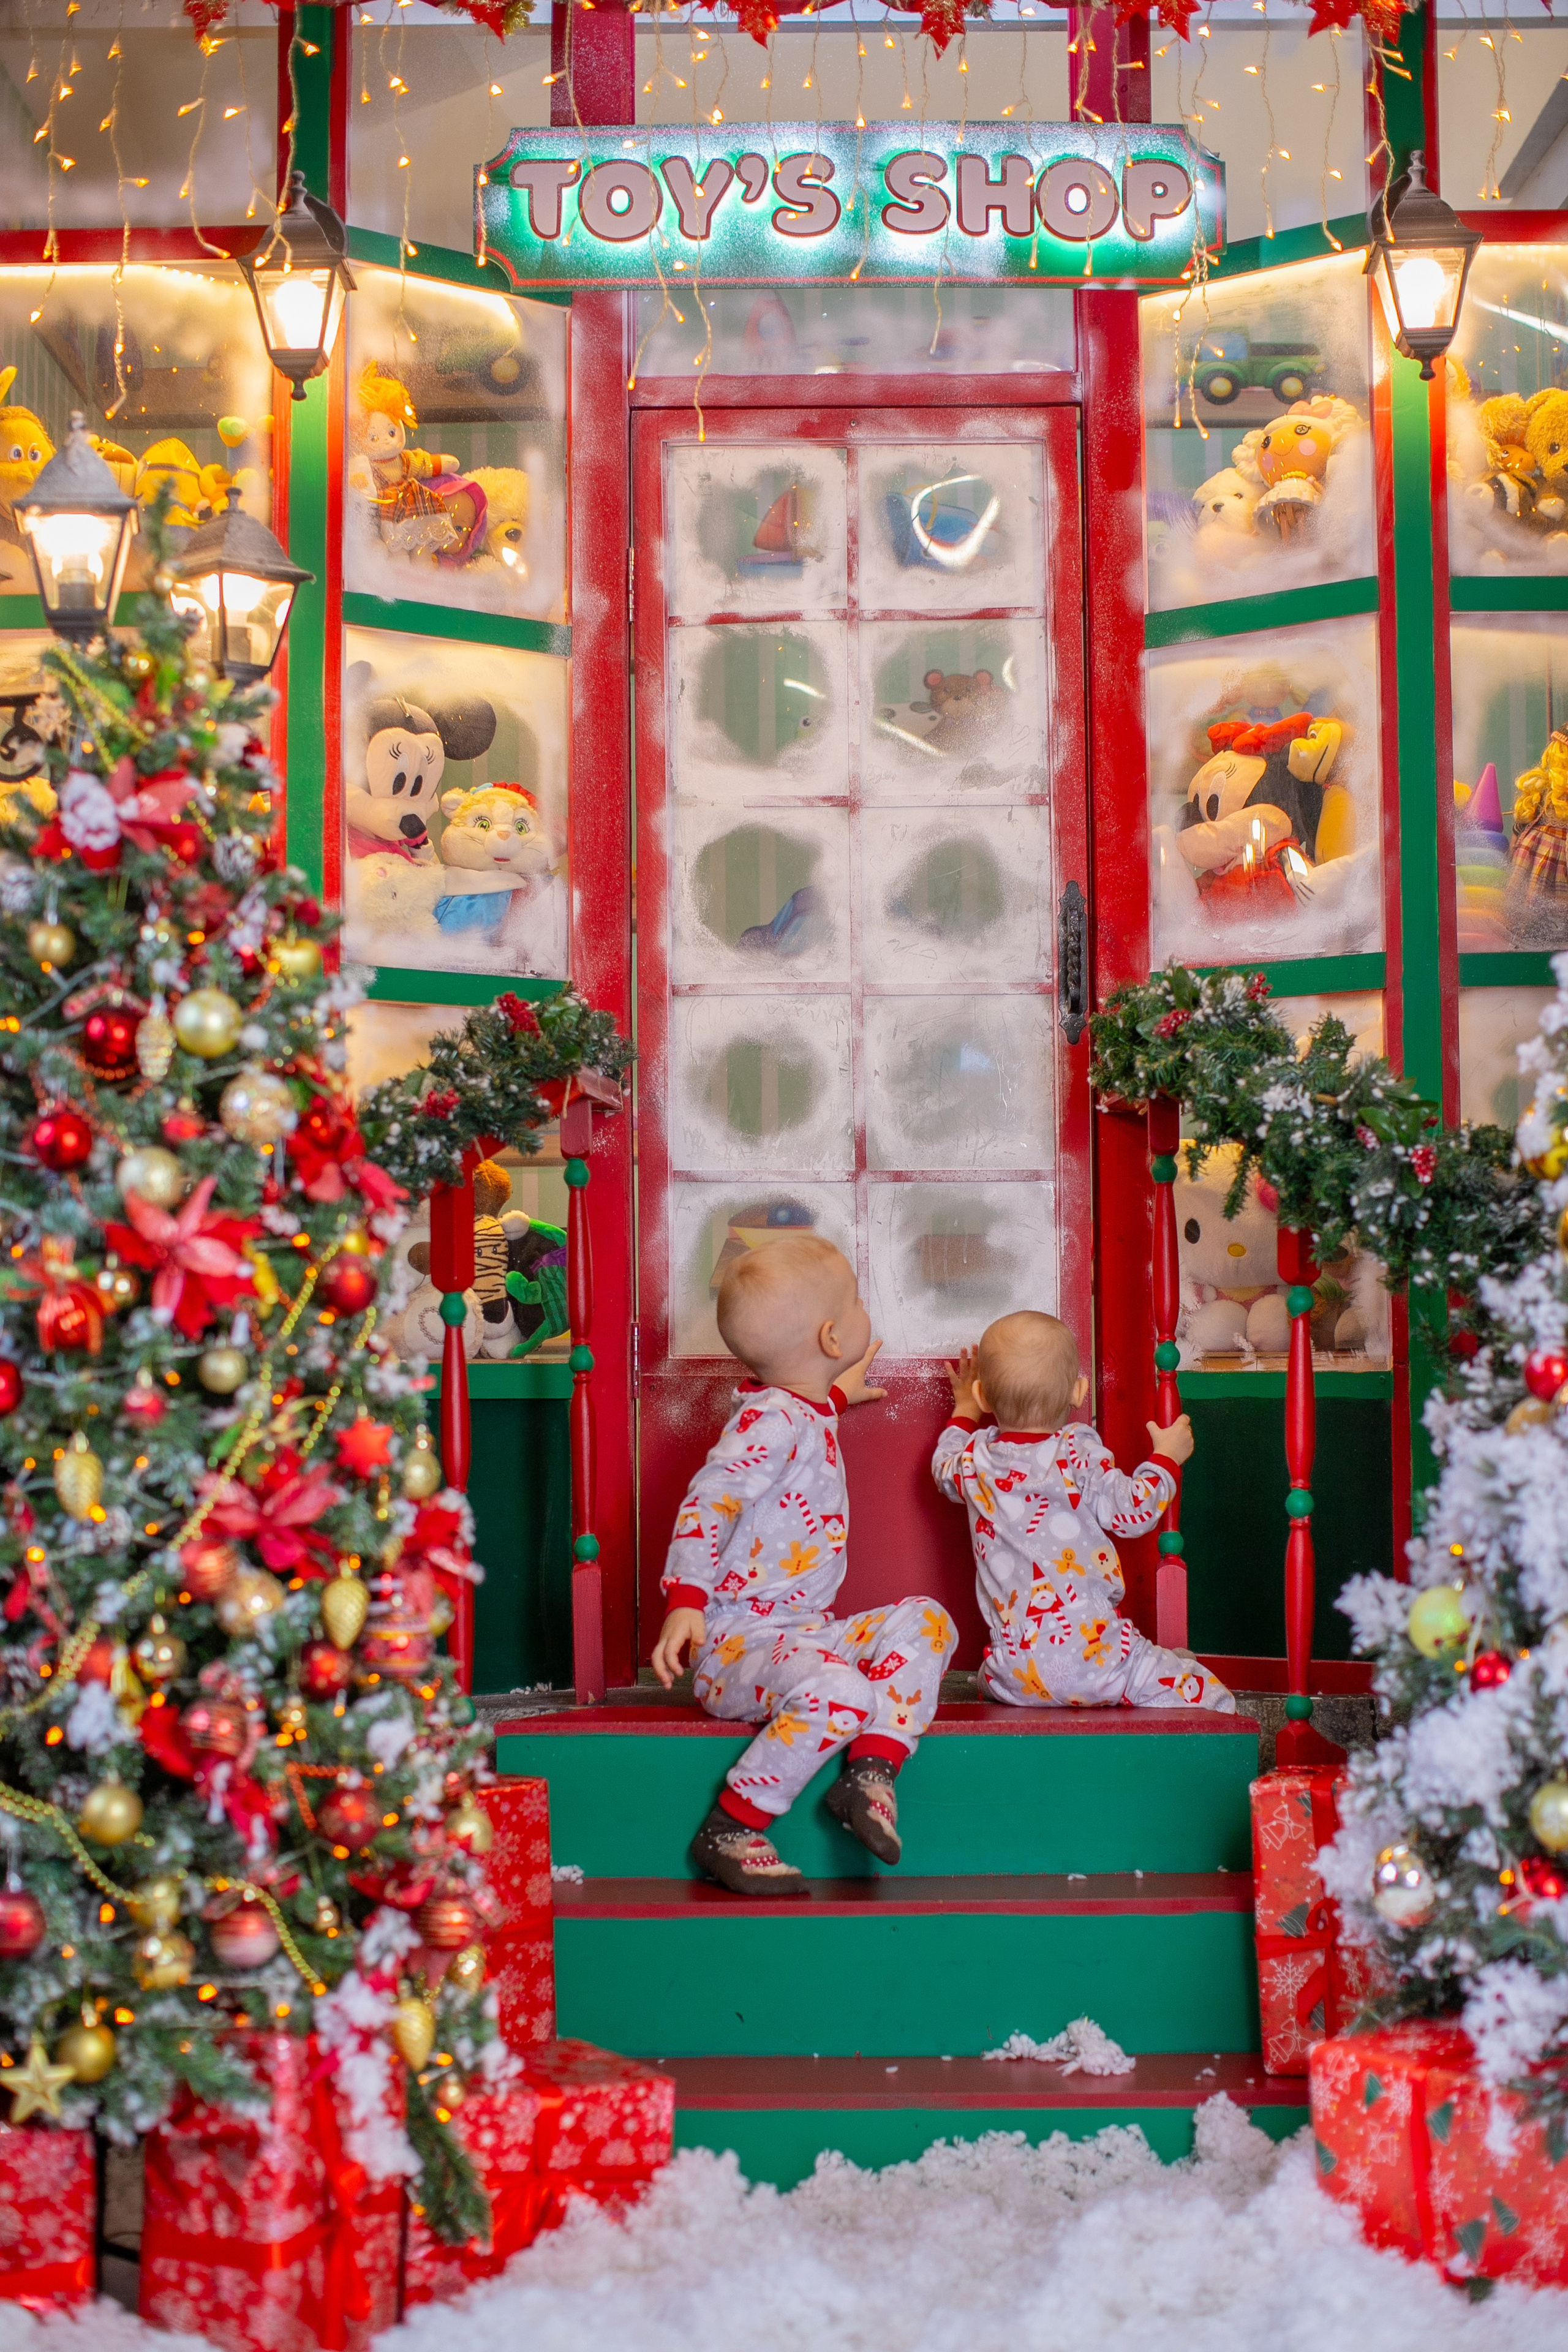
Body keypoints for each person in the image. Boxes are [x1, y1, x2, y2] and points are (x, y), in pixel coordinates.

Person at [652, 1234, 958, 1895]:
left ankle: (867, 1772)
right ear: (828, 1336)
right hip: (734, 1648)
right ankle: (731, 1827)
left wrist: (838, 1396)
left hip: (802, 1631)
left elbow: (803, 1420)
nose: (862, 1310)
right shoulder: (768, 1422)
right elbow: (708, 1503)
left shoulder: (798, 1409)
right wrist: (686, 1600)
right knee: (844, 1691)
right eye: (853, 1302)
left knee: (927, 1622)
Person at [932, 1310, 1234, 1713]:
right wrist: (1165, 1458)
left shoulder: (976, 1460)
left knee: (1006, 1668)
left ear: (986, 1396)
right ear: (1079, 1391)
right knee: (1205, 1690)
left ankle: (1001, 1682)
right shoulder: (1075, 1450)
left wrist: (965, 1410)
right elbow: (1133, 1513)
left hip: (1014, 1673)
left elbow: (942, 1469)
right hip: (1100, 1659)